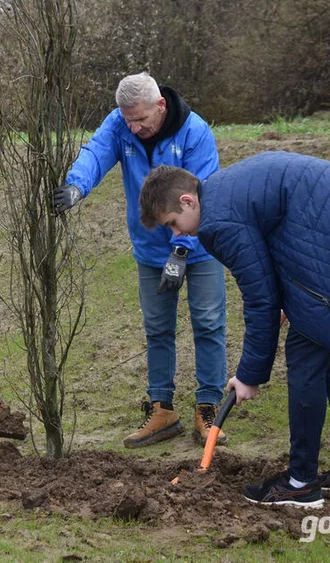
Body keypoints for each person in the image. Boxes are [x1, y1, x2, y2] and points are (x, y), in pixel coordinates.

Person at [138, 154, 330, 508]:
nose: (178, 233)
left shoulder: (216, 222)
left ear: (188, 200)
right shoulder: (226, 191)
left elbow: (260, 299)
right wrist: (283, 301)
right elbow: (274, 256)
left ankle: (300, 483)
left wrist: (249, 375)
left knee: (305, 356)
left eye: (173, 222)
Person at [52, 72, 227, 449]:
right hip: (150, 248)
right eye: (128, 119)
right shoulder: (120, 124)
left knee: (209, 322)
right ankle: (162, 409)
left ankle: (208, 408)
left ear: (160, 106)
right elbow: (96, 152)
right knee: (157, 327)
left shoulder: (194, 133)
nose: (134, 127)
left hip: (200, 244)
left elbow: (202, 198)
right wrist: (76, 185)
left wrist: (182, 252)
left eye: (141, 120)